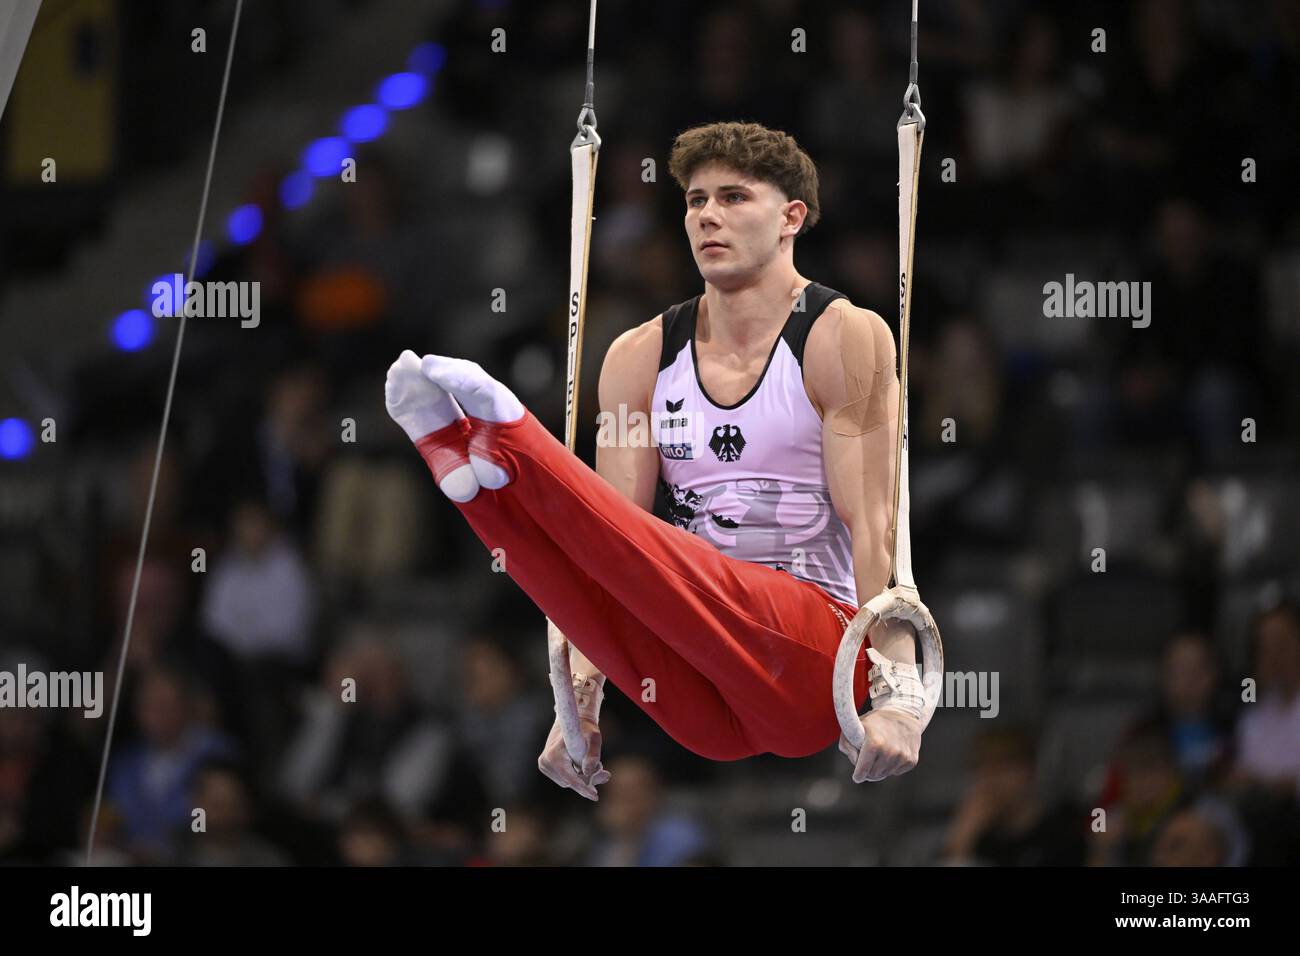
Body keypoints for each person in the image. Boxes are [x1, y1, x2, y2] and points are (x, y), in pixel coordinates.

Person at [384, 121, 927, 798]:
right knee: (604, 549)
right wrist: (579, 698)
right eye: (696, 201)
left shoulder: (840, 335)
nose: (707, 217)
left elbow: (874, 523)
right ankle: (475, 485)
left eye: (733, 198)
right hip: (698, 690)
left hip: (813, 660)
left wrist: (900, 695)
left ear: (791, 217)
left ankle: (516, 441)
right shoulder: (639, 356)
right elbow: (609, 541)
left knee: (648, 547)